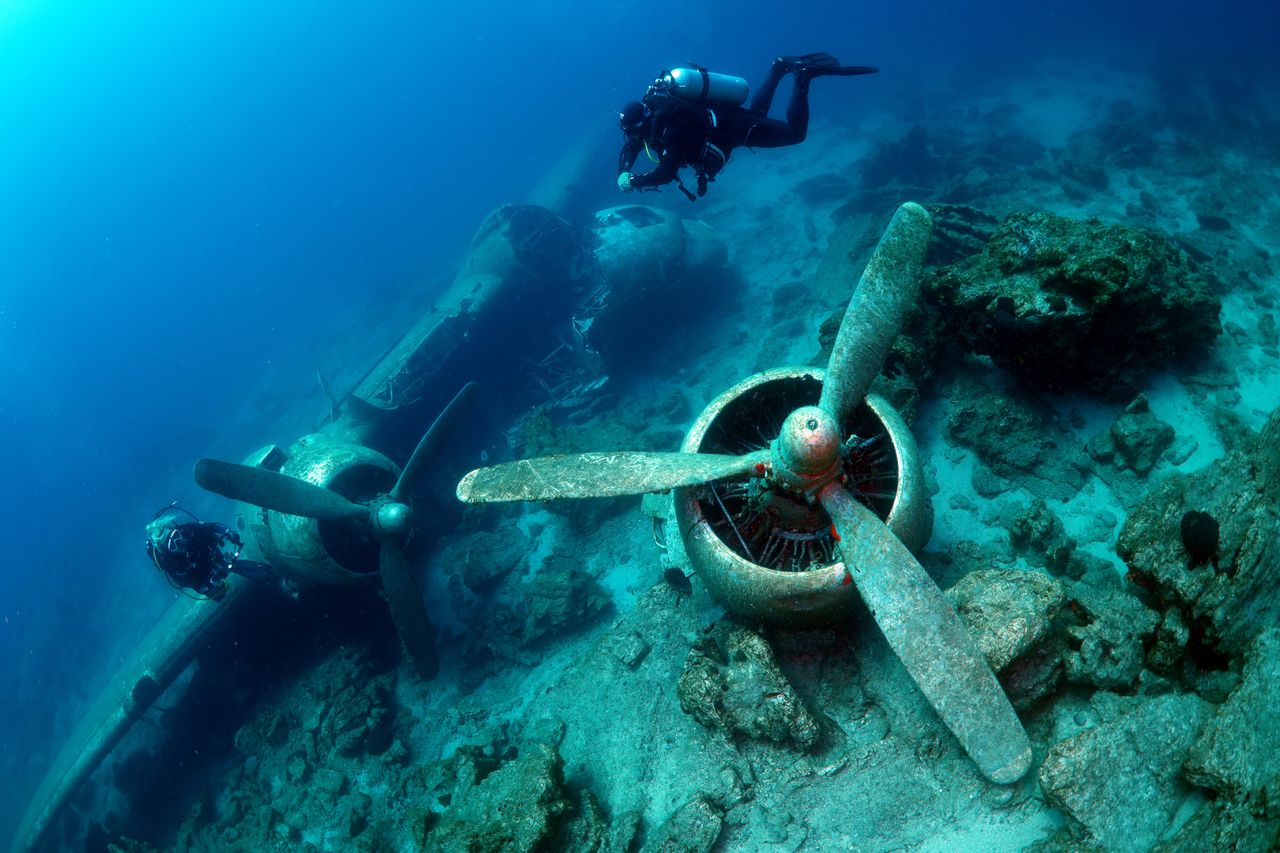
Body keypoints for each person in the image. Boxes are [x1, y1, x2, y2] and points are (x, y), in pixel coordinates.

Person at [617, 53, 877, 200]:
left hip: (734, 128)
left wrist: (634, 181)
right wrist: (623, 171)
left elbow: (665, 172)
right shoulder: (653, 116)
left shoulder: (671, 128)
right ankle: (778, 67)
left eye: (631, 131)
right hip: (725, 120)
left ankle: (802, 77)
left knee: (795, 134)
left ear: (641, 122)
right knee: (757, 114)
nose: (631, 137)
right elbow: (630, 147)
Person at [145, 505, 276, 600]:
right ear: (167, 550)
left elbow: (212, 526)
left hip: (211, 555)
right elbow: (193, 584)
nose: (180, 542)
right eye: (173, 545)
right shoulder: (172, 564)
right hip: (203, 576)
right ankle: (271, 578)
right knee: (219, 594)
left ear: (177, 530)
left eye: (176, 536)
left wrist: (228, 532)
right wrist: (211, 583)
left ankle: (273, 577)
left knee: (232, 565)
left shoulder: (188, 529)